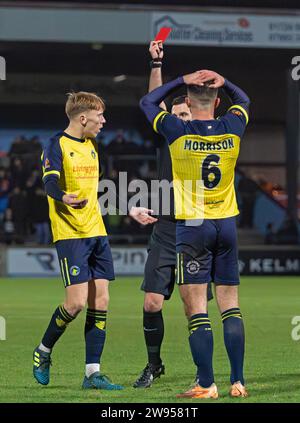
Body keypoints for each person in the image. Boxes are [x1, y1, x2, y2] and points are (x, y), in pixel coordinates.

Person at [140, 69, 250, 398]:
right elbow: (243, 100)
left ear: (187, 102)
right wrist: (225, 79)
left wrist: (180, 78)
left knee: (197, 308)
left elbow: (148, 101)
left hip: (193, 226)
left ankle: (206, 384)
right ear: (218, 101)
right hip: (227, 224)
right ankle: (238, 381)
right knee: (230, 305)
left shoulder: (177, 130)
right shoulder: (233, 126)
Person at [130, 41, 213, 389]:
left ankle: (202, 373)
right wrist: (156, 63)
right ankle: (154, 364)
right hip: (165, 226)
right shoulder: (169, 135)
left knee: (194, 308)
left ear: (195, 114)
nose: (179, 119)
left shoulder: (207, 138)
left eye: (185, 114)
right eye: (174, 115)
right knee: (151, 303)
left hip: (195, 226)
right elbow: (154, 102)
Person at [33, 91, 124, 390]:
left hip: (96, 230)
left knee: (102, 300)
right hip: (70, 233)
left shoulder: (93, 145)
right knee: (74, 304)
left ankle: (92, 374)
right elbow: (49, 181)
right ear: (83, 118)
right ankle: (43, 352)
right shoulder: (56, 144)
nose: (104, 121)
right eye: (100, 116)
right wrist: (63, 196)